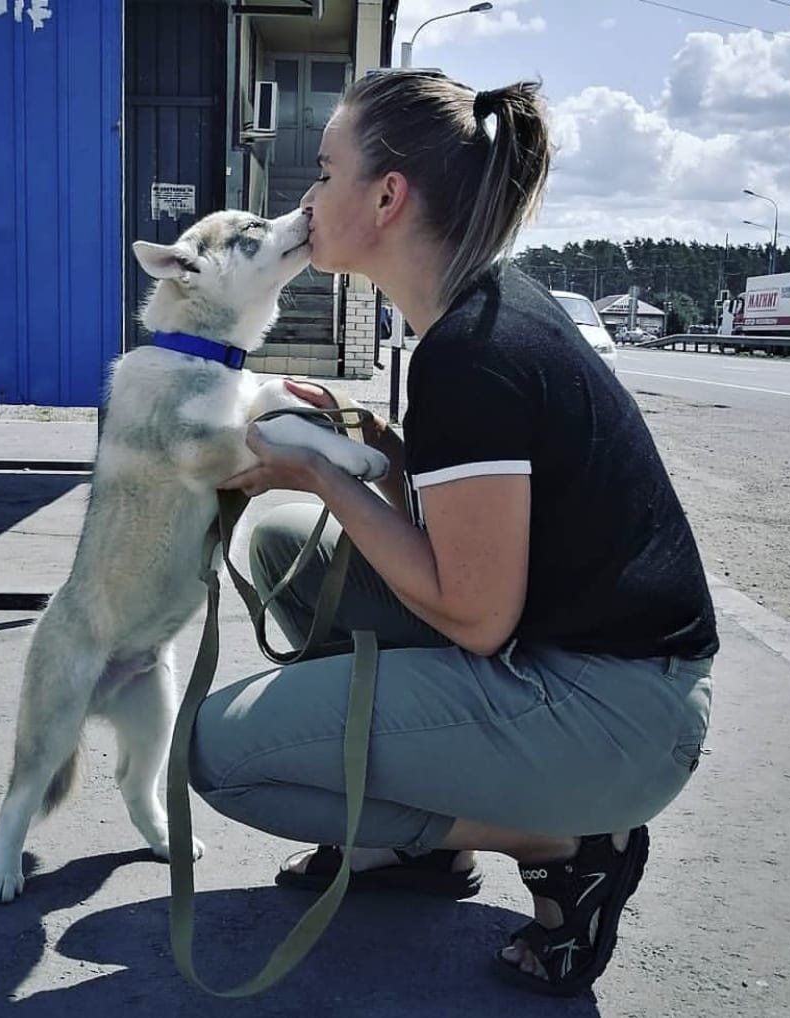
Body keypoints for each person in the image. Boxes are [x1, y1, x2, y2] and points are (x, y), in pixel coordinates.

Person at [188, 70, 718, 998]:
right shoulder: (473, 317)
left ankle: (565, 843)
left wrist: (316, 469)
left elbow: (474, 616)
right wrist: (381, 455)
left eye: (322, 171)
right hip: (583, 666)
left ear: (387, 196)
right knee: (282, 547)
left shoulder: (475, 354)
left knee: (220, 755)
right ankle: (410, 855)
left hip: (616, 719)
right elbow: (472, 532)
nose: (307, 199)